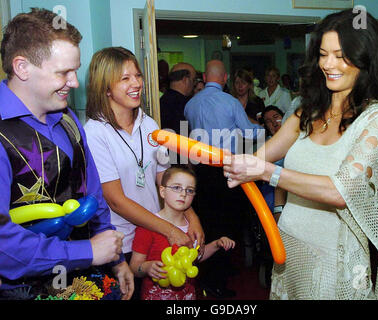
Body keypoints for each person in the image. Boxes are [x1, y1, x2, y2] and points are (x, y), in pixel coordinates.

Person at [223, 8, 378, 300]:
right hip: (290, 246)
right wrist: (234, 162)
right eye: (323, 54)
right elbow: (263, 157)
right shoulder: (305, 110)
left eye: (340, 55)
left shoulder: (377, 120)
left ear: (366, 59)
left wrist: (267, 173)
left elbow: (339, 191)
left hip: (334, 258)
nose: (329, 64)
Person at [0, 8, 133, 299]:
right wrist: (86, 252)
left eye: (75, 70)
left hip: (84, 279)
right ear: (22, 67)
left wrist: (116, 258)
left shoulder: (69, 118)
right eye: (63, 72)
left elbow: (93, 194)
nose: (75, 82)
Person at [84, 47, 204, 299]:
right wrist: (170, 230)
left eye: (137, 76)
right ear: (105, 88)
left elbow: (165, 178)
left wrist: (191, 217)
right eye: (125, 78)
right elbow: (115, 200)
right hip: (121, 244)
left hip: (153, 234)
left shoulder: (148, 124)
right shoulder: (95, 132)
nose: (136, 83)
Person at [184, 59, 265, 298]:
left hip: (201, 172)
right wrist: (263, 126)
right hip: (225, 171)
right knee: (228, 224)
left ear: (205, 77)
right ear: (225, 77)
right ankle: (218, 280)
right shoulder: (229, 102)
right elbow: (249, 133)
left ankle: (208, 273)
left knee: (207, 223)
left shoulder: (190, 105)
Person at [130, 166, 235, 300]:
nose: (183, 194)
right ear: (162, 191)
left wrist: (216, 244)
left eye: (189, 190)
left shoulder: (193, 229)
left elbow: (196, 258)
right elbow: (134, 266)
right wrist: (147, 267)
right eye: (176, 187)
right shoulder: (148, 226)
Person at [160, 62, 196, 135]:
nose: (194, 85)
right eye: (193, 80)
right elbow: (184, 134)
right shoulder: (184, 105)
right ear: (185, 80)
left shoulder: (162, 100)